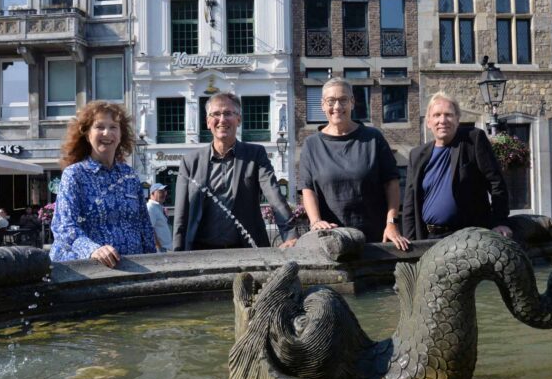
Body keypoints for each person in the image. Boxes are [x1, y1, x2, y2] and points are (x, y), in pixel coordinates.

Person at [173, 92, 298, 251]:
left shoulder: (255, 155)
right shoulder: (190, 161)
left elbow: (274, 195)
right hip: (200, 251)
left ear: (238, 119)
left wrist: (290, 234)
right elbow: (180, 214)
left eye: (228, 113)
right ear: (208, 122)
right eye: (216, 114)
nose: (222, 119)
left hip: (247, 250)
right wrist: (177, 252)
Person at [298, 78, 410, 250]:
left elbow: (392, 183)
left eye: (343, 100)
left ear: (352, 103)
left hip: (375, 239)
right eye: (331, 101)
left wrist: (392, 223)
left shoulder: (373, 138)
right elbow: (308, 189)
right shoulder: (311, 145)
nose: (337, 107)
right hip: (330, 241)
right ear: (322, 105)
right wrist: (315, 221)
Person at [51, 101, 156, 267]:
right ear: (87, 134)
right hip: (90, 272)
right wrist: (93, 250)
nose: (107, 133)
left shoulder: (130, 175)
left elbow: (144, 225)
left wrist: (155, 264)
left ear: (121, 135)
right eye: (99, 127)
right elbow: (64, 227)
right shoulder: (74, 175)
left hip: (133, 270)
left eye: (113, 127)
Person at [402, 92, 511, 240]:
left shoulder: (473, 139)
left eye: (448, 115)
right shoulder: (416, 155)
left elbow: (496, 183)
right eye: (437, 115)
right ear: (428, 122)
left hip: (468, 236)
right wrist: (410, 243)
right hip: (429, 237)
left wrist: (500, 221)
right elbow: (410, 203)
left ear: (457, 119)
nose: (443, 120)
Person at [147, 183, 173, 252]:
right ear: (152, 193)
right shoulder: (150, 207)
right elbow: (150, 230)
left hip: (165, 248)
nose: (164, 194)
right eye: (160, 192)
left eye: (164, 192)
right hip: (161, 249)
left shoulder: (158, 206)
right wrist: (158, 248)